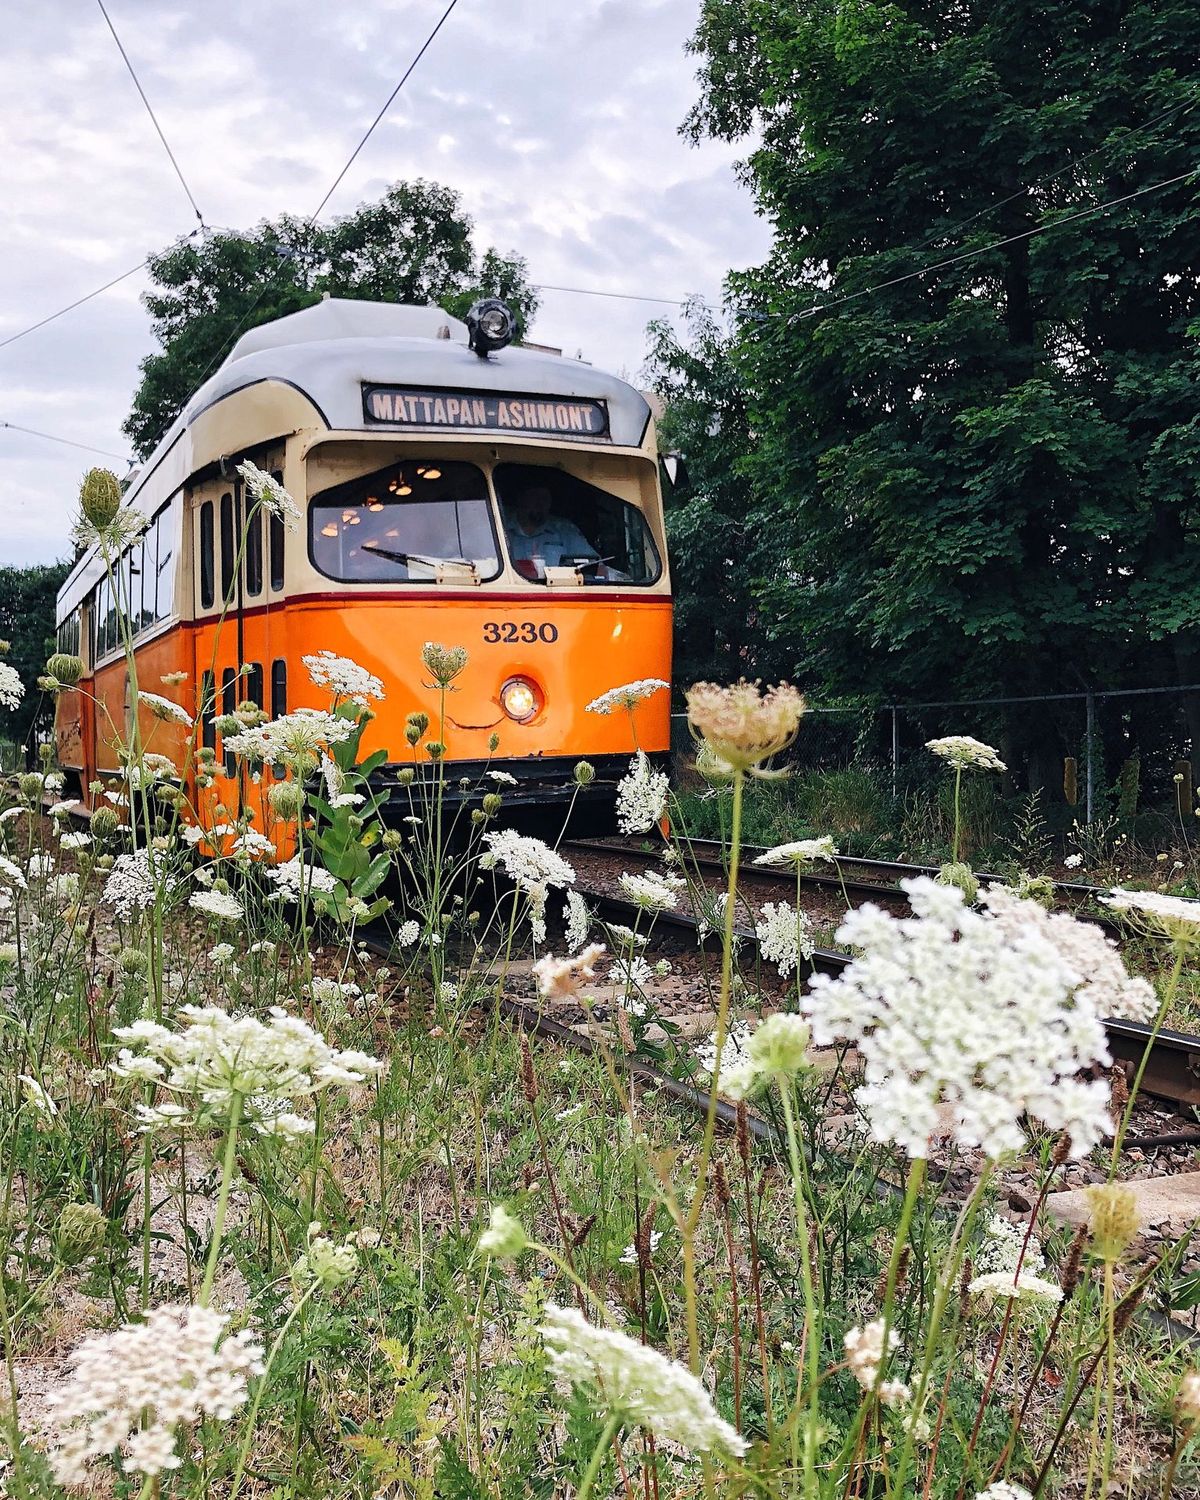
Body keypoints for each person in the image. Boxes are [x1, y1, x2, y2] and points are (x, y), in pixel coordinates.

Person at [504, 485, 597, 576]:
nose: (540, 503)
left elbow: (596, 567)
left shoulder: (565, 529)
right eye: (534, 496)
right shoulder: (500, 525)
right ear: (521, 499)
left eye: (545, 498)